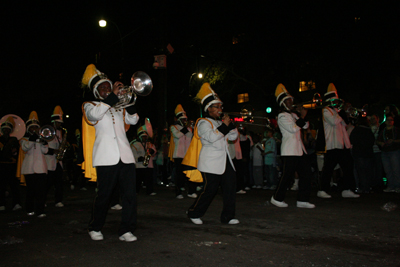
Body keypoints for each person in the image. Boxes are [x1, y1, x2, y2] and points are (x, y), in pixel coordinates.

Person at [82, 64, 139, 242]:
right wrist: (113, 97)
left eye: (109, 86)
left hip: (126, 156)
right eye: (103, 88)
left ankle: (126, 230)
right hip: (106, 158)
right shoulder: (90, 105)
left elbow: (134, 119)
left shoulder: (118, 106)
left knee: (130, 195)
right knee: (104, 195)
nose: (107, 89)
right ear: (97, 92)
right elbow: (95, 116)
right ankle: (95, 227)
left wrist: (128, 100)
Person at [187, 83, 239, 225]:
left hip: (225, 159)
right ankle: (194, 212)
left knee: (230, 188)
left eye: (220, 106)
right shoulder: (202, 123)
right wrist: (224, 127)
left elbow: (233, 138)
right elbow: (211, 138)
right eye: (216, 106)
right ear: (208, 108)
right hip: (210, 162)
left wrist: (232, 127)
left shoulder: (219, 123)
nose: (220, 109)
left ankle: (228, 216)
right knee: (210, 190)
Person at [270, 84, 315, 208]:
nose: (291, 102)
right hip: (289, 150)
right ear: (283, 103)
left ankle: (302, 200)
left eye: (291, 100)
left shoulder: (294, 115)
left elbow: (305, 126)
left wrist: (301, 116)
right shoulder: (282, 116)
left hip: (300, 150)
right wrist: (302, 117)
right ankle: (277, 198)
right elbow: (293, 129)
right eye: (288, 101)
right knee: (287, 176)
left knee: (306, 174)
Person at [317, 83, 359, 199]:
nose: (337, 103)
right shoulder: (326, 110)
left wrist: (344, 112)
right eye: (335, 101)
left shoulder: (337, 111)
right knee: (328, 169)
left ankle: (347, 189)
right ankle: (322, 190)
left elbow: (345, 123)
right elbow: (334, 121)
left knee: (348, 167)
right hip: (331, 145)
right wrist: (341, 111)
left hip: (341, 145)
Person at [20, 111, 48, 218]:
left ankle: (40, 211)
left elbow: (45, 151)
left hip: (41, 168)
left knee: (41, 192)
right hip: (29, 169)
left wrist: (44, 142)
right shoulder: (24, 139)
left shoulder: (41, 138)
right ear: (28, 129)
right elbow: (25, 148)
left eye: (36, 127)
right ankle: (29, 209)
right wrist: (33, 139)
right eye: (32, 127)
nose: (35, 129)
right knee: (30, 191)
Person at [169, 104, 196, 199]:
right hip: (178, 155)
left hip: (187, 155)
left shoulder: (189, 128)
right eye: (183, 119)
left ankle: (191, 191)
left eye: (186, 119)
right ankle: (178, 192)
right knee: (179, 175)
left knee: (190, 173)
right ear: (179, 119)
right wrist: (185, 129)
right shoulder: (174, 127)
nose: (185, 121)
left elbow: (190, 139)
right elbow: (177, 135)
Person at [44, 106, 65, 208]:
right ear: (53, 122)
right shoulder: (47, 131)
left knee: (59, 183)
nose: (60, 124)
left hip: (58, 162)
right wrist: (54, 151)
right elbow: (43, 147)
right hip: (49, 161)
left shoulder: (60, 131)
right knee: (47, 184)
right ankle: (42, 200)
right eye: (58, 123)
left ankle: (58, 200)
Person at [0, 116, 22, 211]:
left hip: (12, 166)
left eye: (8, 129)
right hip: (1, 165)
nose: (6, 131)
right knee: (1, 186)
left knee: (14, 186)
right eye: (4, 129)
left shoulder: (14, 140)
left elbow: (16, 153)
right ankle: (1, 204)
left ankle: (16, 203)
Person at [350, 116, 375, 193]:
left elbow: (352, 139)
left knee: (361, 171)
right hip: (368, 153)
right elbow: (372, 141)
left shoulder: (356, 130)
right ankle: (367, 187)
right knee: (368, 170)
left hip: (359, 153)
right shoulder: (369, 131)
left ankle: (363, 187)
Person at [131, 124, 157, 195]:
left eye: (145, 137)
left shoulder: (149, 144)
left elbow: (154, 151)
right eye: (143, 137)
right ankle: (136, 191)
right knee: (138, 179)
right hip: (139, 165)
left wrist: (152, 151)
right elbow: (132, 154)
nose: (145, 138)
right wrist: (138, 158)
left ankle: (150, 191)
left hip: (149, 164)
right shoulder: (134, 144)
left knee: (149, 179)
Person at [377, 115, 400, 192]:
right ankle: (390, 186)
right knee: (388, 170)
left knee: (395, 169)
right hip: (385, 152)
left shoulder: (397, 130)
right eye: (388, 120)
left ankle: (397, 186)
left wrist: (393, 141)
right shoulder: (383, 131)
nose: (390, 121)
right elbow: (377, 140)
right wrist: (381, 143)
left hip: (394, 151)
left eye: (391, 120)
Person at [369, 114, 384, 191]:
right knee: (372, 168)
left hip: (378, 150)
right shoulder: (368, 128)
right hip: (371, 151)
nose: (372, 120)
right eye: (371, 118)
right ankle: (374, 183)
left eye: (374, 118)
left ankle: (379, 184)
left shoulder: (380, 127)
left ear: (377, 119)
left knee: (379, 168)